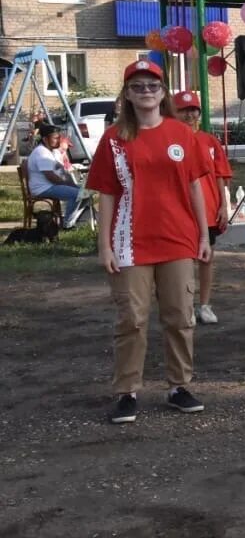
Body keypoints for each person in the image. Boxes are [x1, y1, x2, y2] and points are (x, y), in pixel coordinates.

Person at [85, 59, 212, 424]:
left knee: (180, 317)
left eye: (152, 86)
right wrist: (104, 245)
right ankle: (127, 391)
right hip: (129, 243)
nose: (145, 92)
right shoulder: (114, 138)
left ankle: (179, 386)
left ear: (162, 93)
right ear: (126, 93)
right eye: (137, 86)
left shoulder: (181, 134)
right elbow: (107, 194)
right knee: (132, 320)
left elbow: (194, 187)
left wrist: (203, 236)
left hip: (178, 240)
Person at [174, 91, 232, 323]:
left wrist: (224, 205)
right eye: (184, 110)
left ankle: (205, 305)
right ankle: (184, 306)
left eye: (193, 109)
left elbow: (220, 175)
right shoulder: (172, 140)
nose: (190, 115)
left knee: (206, 258)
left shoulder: (209, 141)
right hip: (180, 211)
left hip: (208, 209)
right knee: (182, 263)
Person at [25, 123, 85, 229]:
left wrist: (73, 184)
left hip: (50, 185)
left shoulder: (52, 151)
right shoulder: (42, 153)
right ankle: (67, 225)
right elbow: (51, 177)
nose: (58, 140)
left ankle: (77, 220)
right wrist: (69, 184)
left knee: (84, 192)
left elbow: (62, 170)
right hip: (43, 188)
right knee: (77, 194)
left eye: (59, 138)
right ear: (45, 139)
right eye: (55, 138)